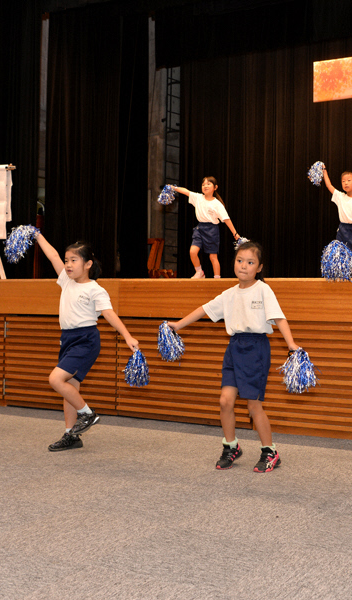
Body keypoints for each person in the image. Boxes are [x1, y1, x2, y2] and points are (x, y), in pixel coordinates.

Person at [166, 241, 300, 472]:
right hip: (234, 348)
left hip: (256, 349)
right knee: (225, 401)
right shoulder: (228, 294)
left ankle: (270, 451)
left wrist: (291, 344)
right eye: (240, 261)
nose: (244, 266)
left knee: (253, 406)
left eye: (250, 262)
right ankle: (231, 447)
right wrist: (178, 324)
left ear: (259, 268)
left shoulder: (263, 290)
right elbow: (204, 310)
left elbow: (279, 318)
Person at [35, 233, 139, 452]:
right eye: (66, 260)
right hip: (68, 339)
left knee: (55, 379)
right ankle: (71, 435)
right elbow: (52, 254)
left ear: (88, 264)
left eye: (74, 260)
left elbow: (109, 314)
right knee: (69, 387)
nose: (68, 264)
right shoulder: (65, 279)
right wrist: (38, 235)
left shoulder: (95, 289)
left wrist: (127, 336)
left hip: (86, 340)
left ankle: (87, 414)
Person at [172, 177, 242, 278]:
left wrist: (235, 233)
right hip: (199, 228)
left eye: (208, 184)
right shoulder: (198, 198)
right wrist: (173, 188)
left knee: (213, 257)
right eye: (203, 184)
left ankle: (217, 278)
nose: (205, 186)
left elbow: (227, 219)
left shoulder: (217, 204)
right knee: (192, 251)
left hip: (212, 230)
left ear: (215, 187)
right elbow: (186, 191)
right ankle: (199, 272)